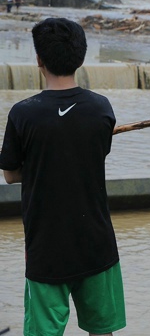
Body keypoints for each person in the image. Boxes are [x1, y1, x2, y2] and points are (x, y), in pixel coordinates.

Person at [0, 18, 126, 336]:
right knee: (102, 331)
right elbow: (95, 156)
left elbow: (11, 174)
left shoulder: (23, 113)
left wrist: (42, 162)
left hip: (46, 247)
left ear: (39, 60)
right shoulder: (101, 109)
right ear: (81, 57)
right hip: (96, 243)